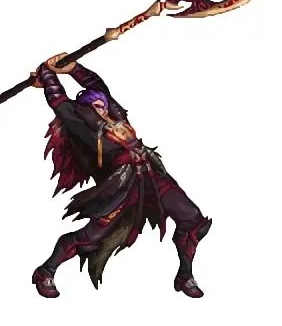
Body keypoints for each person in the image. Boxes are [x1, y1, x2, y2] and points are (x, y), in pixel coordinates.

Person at [31, 53, 212, 298]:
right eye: (96, 106)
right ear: (85, 110)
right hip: (120, 190)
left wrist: (74, 68)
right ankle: (46, 271)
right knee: (90, 238)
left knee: (193, 221)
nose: (103, 109)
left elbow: (98, 86)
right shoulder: (82, 128)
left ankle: (185, 275)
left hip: (151, 177)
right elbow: (59, 101)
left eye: (103, 105)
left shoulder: (116, 118)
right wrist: (46, 73)